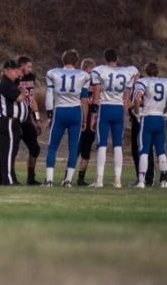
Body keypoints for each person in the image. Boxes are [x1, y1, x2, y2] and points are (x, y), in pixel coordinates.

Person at [88, 48, 138, 188]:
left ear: (105, 59)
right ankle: (117, 180)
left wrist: (93, 115)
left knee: (102, 144)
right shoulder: (127, 72)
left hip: (105, 108)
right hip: (118, 109)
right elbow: (127, 99)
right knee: (117, 145)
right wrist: (126, 112)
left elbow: (96, 95)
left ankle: (99, 180)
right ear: (117, 58)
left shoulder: (99, 70)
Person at [132, 62, 167, 188]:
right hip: (160, 118)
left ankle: (141, 181)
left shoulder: (143, 82)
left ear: (146, 72)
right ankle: (164, 181)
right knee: (161, 151)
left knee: (144, 151)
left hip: (148, 118)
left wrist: (137, 113)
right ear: (157, 72)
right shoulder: (166, 82)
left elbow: (137, 99)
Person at [43, 50, 90, 187]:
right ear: (76, 61)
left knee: (52, 146)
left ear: (63, 60)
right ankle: (68, 180)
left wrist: (49, 113)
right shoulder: (84, 75)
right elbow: (84, 99)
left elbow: (49, 95)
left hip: (60, 111)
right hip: (76, 112)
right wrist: (85, 119)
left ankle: (50, 180)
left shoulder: (53, 73)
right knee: (73, 147)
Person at [0, 59, 29, 185]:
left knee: (3, 151)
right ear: (7, 71)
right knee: (9, 151)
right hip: (8, 121)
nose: (17, 74)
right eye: (15, 71)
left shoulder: (8, 82)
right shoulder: (5, 83)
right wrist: (24, 91)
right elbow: (19, 98)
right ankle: (8, 179)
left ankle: (0, 178)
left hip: (5, 121)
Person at [16, 56, 43, 185]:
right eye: (29, 66)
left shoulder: (30, 77)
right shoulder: (13, 77)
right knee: (12, 149)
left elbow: (31, 100)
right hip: (14, 118)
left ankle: (30, 177)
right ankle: (10, 177)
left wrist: (37, 120)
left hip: (26, 118)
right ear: (21, 66)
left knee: (35, 148)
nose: (30, 69)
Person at [75, 58, 98, 186]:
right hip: (89, 117)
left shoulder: (79, 80)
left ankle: (69, 177)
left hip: (80, 115)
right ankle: (80, 178)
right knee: (85, 149)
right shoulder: (95, 82)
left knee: (78, 148)